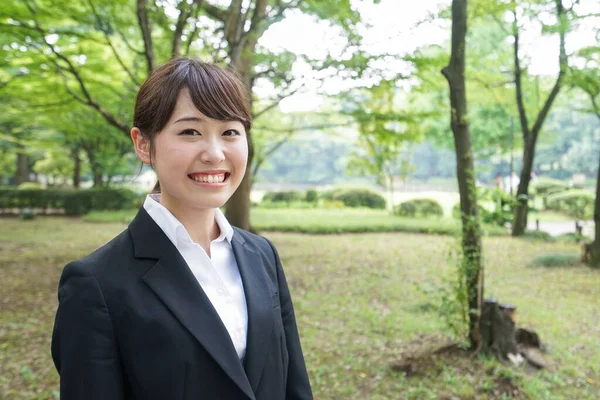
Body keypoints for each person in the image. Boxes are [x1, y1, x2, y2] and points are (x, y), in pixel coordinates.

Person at [51, 58, 313, 400]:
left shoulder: (262, 255)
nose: (215, 154)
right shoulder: (96, 284)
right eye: (191, 131)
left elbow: (293, 385)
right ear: (144, 144)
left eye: (230, 132)